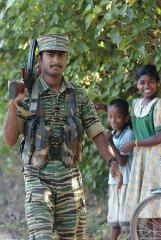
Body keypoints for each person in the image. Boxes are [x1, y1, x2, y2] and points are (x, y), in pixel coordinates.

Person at [3, 33, 122, 240]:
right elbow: (10, 139)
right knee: (42, 236)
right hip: (37, 177)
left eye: (61, 55)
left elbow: (96, 131)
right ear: (40, 58)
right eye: (50, 54)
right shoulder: (27, 93)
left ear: (67, 58)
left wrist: (112, 161)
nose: (56, 60)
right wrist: (13, 104)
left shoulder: (78, 95)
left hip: (70, 179)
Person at [121, 64, 161, 239]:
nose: (147, 86)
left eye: (151, 82)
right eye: (142, 82)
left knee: (155, 207)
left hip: (155, 157)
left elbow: (159, 136)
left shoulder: (158, 105)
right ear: (136, 85)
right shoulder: (135, 104)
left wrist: (134, 143)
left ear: (157, 84)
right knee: (147, 206)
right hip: (141, 158)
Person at [105, 99, 134, 240]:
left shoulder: (128, 134)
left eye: (118, 117)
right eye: (110, 116)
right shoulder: (113, 133)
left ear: (126, 118)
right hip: (114, 182)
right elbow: (111, 160)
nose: (113, 120)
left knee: (127, 221)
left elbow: (122, 161)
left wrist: (109, 142)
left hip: (126, 183)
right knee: (114, 220)